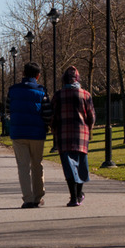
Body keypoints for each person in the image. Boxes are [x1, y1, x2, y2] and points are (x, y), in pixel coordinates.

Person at [6, 62, 51, 208]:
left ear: (23, 74)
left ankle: (28, 198)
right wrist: (46, 126)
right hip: (37, 133)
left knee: (23, 167)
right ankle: (38, 197)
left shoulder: (13, 90)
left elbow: (8, 110)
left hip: (18, 133)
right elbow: (47, 113)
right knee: (37, 165)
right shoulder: (42, 91)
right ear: (38, 76)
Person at [51, 66, 95, 207]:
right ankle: (79, 193)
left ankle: (73, 197)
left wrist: (53, 129)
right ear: (77, 79)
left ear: (64, 79)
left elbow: (53, 115)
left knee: (68, 167)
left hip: (63, 134)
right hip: (81, 135)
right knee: (81, 165)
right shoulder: (85, 95)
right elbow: (91, 116)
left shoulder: (58, 95)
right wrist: (89, 128)